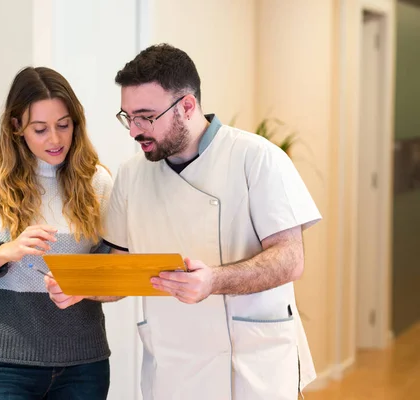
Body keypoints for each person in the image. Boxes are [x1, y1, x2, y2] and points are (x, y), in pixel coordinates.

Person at [45, 44, 322, 399]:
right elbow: (121, 268)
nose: (134, 131)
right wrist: (81, 286)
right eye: (128, 117)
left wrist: (214, 280)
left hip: (250, 366)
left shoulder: (257, 158)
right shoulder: (132, 176)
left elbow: (289, 258)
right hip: (174, 367)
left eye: (146, 117)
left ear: (187, 106)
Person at [0, 66, 113, 400]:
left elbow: (116, 271)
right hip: (5, 368)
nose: (55, 139)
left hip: (83, 368)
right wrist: (3, 252)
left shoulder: (97, 181)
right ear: (16, 126)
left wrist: (84, 286)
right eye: (40, 129)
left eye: (63, 125)